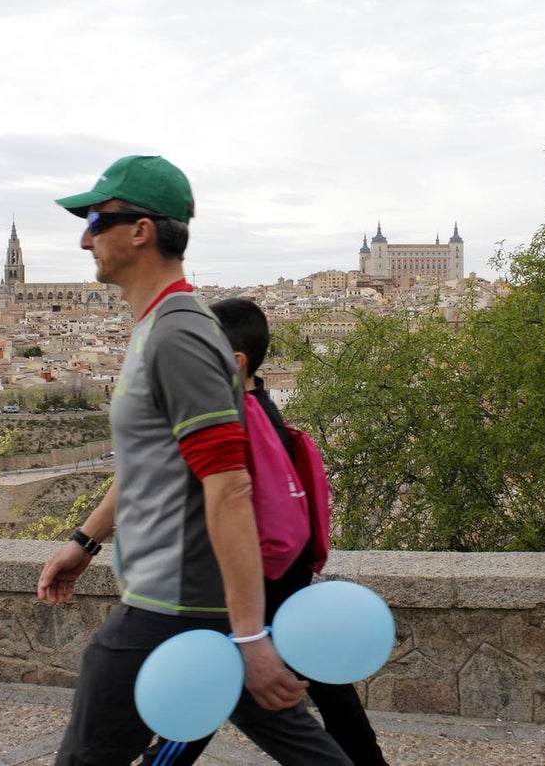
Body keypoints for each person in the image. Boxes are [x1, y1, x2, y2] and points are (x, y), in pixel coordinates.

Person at [35, 155, 351, 766]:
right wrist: (85, 541)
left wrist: (251, 635)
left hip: (173, 606)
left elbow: (228, 486)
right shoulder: (162, 328)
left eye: (96, 221)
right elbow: (155, 463)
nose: (84, 239)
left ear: (140, 231)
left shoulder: (178, 335)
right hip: (195, 606)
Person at [143, 298, 390, 766]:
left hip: (251, 592)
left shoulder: (231, 424)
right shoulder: (268, 414)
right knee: (331, 698)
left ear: (235, 362)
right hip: (287, 585)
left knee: (201, 700)